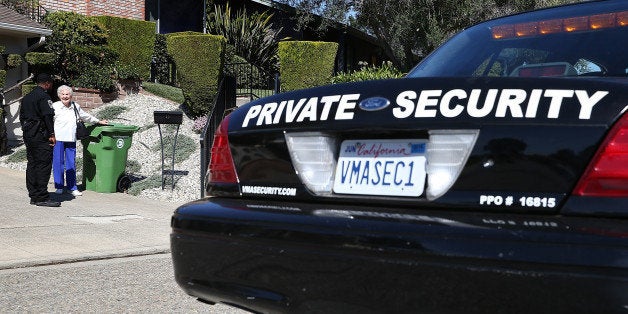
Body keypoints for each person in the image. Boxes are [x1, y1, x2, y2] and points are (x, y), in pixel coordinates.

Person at [52, 85, 108, 196]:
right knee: (58, 163)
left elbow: (85, 116)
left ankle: (72, 187)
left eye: (67, 94)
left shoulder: (75, 106)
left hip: (71, 139)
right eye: (62, 94)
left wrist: (98, 121)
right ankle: (59, 186)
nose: (65, 96)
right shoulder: (55, 106)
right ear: (59, 95)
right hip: (58, 139)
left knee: (71, 164)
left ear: (71, 95)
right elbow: (49, 121)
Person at [19, 73, 59, 207]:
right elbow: (48, 117)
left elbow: (22, 117)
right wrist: (52, 134)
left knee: (32, 164)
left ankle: (33, 195)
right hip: (41, 135)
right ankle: (41, 197)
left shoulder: (27, 97)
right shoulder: (44, 96)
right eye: (51, 84)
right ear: (47, 83)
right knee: (43, 164)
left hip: (29, 134)